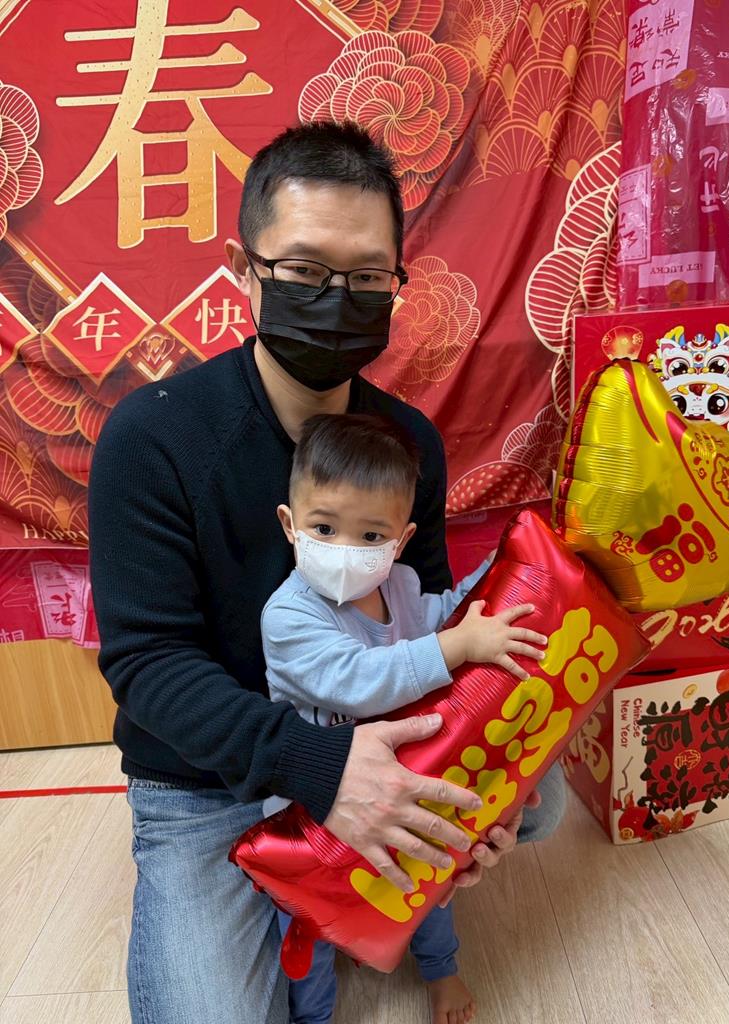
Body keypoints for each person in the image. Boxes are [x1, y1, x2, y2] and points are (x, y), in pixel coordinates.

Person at [88, 120, 566, 1024]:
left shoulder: (406, 443)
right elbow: (149, 666)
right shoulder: (153, 436)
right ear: (243, 269)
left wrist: (475, 767)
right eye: (304, 270)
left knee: (539, 808)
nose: (336, 299)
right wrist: (321, 768)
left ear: (396, 281)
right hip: (207, 778)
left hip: (366, 727)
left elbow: (420, 623)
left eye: (367, 277)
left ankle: (357, 884)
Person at [260, 411, 551, 1024]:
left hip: (399, 784)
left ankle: (441, 970)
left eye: (371, 536)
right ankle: (314, 1016)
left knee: (428, 882)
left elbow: (451, 614)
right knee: (309, 930)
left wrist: (503, 570)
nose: (346, 550)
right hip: (312, 812)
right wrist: (454, 648)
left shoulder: (401, 586)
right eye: (323, 528)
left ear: (401, 538)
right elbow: (359, 680)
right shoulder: (288, 616)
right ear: (289, 524)